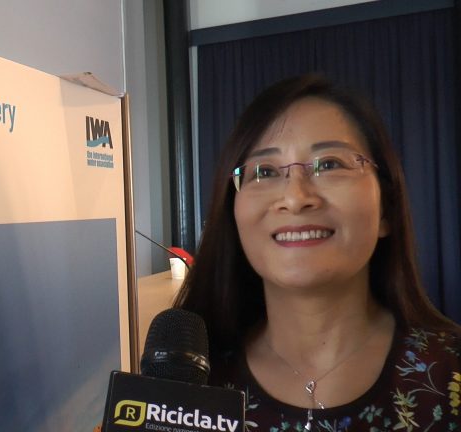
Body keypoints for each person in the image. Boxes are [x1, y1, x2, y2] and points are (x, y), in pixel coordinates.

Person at [173, 74, 461, 431]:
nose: (295, 198)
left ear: (386, 209)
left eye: (329, 164)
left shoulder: (449, 373)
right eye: (264, 171)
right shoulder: (189, 384)